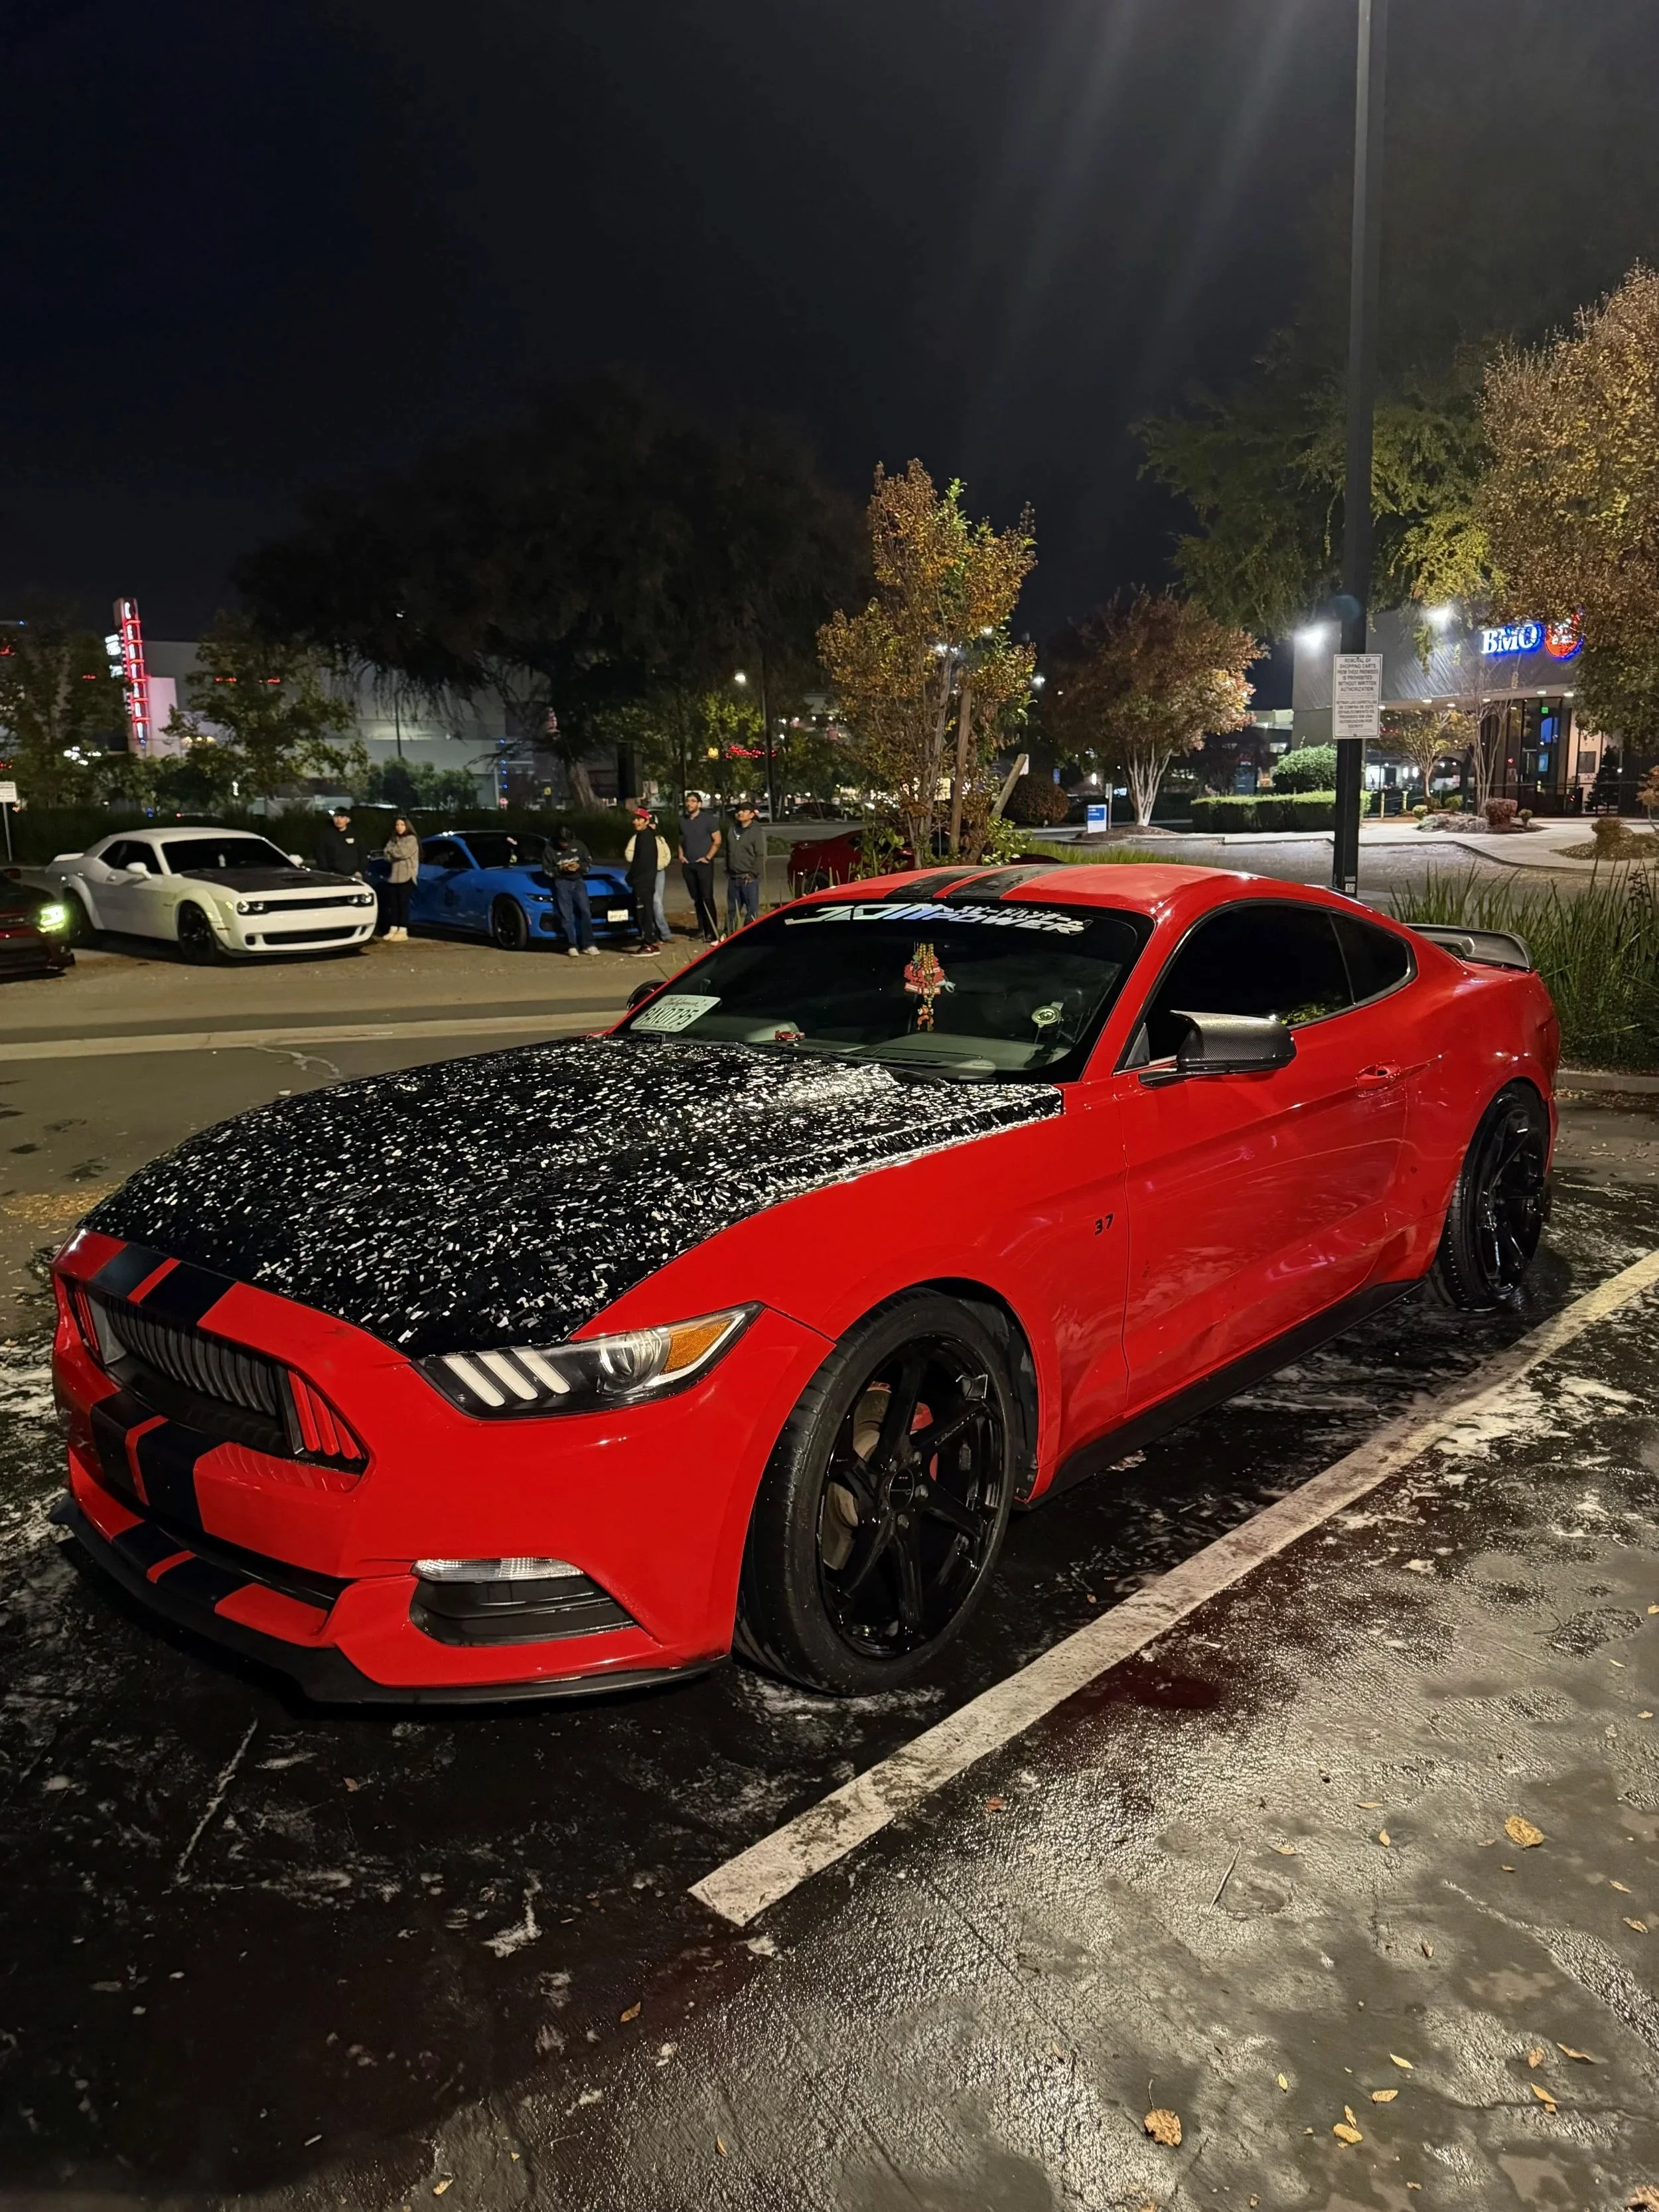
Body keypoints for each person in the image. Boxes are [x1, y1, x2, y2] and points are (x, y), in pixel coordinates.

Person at [545, 823, 599, 956]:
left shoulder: (579, 845)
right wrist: (561, 869)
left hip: (578, 881)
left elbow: (588, 863)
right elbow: (547, 870)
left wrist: (579, 867)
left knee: (585, 911)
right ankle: (571, 944)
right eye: (563, 842)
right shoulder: (549, 849)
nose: (566, 845)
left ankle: (588, 944)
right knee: (566, 915)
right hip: (562, 882)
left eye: (568, 842)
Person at [624, 805, 672, 954]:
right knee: (646, 911)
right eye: (635, 819)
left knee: (644, 912)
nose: (635, 822)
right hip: (644, 880)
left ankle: (648, 944)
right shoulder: (642, 836)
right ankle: (651, 941)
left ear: (646, 821)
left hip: (644, 881)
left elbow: (643, 862)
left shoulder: (646, 837)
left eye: (639, 819)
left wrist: (633, 877)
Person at [678, 791, 721, 940]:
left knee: (707, 897)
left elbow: (717, 841)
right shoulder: (683, 821)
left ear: (699, 804)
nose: (690, 804)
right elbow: (681, 840)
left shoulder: (709, 820)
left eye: (693, 801)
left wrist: (708, 857)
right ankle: (702, 929)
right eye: (688, 801)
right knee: (696, 899)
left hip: (703, 864)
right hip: (688, 865)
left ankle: (712, 931)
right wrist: (681, 855)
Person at [723, 800, 766, 932]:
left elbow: (761, 855)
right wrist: (728, 869)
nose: (740, 813)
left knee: (751, 911)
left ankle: (750, 935)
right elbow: (728, 851)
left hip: (749, 878)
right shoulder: (733, 830)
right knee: (732, 910)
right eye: (739, 811)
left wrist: (753, 874)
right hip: (734, 877)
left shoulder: (756, 832)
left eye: (744, 811)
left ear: (752, 815)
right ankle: (729, 935)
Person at [381, 815, 419, 941]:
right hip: (394, 876)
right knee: (394, 904)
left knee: (403, 904)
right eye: (397, 825)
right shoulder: (393, 839)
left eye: (402, 825)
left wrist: (392, 851)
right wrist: (392, 852)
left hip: (407, 876)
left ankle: (403, 930)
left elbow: (402, 853)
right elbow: (386, 854)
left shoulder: (411, 839)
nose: (399, 828)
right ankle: (393, 929)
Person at [315, 804, 362, 878]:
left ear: (348, 820)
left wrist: (360, 871)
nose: (339, 820)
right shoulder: (326, 835)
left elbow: (362, 854)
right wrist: (326, 872)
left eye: (342, 817)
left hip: (353, 875)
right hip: (333, 876)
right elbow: (321, 855)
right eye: (336, 817)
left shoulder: (355, 835)